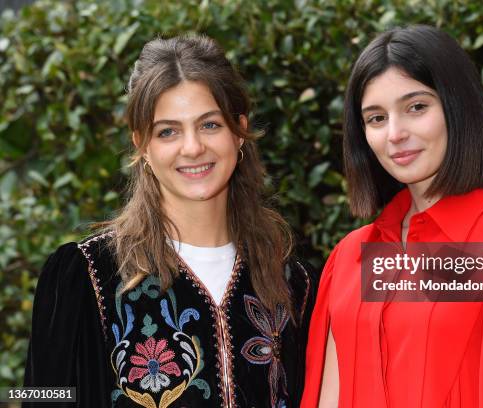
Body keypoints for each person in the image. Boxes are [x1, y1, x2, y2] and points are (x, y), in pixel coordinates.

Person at [24, 35, 316, 408]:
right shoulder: (85, 277)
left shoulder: (294, 283)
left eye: (210, 125)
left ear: (239, 130)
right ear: (142, 145)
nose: (192, 147)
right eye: (167, 131)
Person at [301, 25, 483, 407]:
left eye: (416, 107)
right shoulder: (349, 258)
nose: (395, 133)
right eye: (376, 118)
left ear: (457, 107)